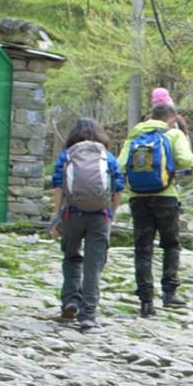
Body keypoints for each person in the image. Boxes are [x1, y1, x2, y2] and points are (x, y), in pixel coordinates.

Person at [118, 92, 193, 316]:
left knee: (143, 247)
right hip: (165, 194)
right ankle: (169, 293)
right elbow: (187, 161)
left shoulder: (134, 136)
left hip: (137, 196)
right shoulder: (172, 134)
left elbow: (122, 164)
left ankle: (145, 300)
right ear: (171, 118)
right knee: (170, 243)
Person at [47, 118, 123, 333]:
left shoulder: (67, 156)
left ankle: (71, 301)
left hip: (72, 214)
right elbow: (118, 188)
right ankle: (88, 315)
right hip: (100, 216)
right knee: (93, 266)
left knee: (71, 257)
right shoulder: (107, 157)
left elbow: (59, 187)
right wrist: (110, 214)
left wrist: (57, 217)